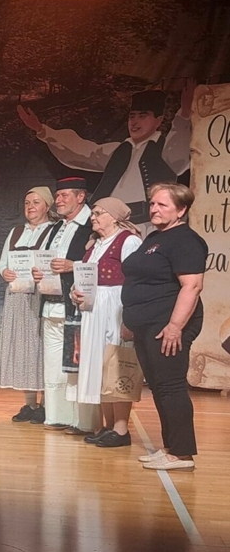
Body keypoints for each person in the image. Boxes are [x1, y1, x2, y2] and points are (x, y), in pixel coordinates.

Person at [17, 83, 194, 228]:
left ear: (159, 120)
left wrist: (184, 115)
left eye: (142, 116)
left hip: (146, 224)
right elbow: (83, 151)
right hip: (110, 224)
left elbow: (178, 152)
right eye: (132, 116)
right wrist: (42, 130)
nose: (135, 122)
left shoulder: (164, 149)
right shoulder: (120, 150)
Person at [121, 183, 205, 471]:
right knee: (158, 387)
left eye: (162, 205)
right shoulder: (155, 237)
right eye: (153, 204)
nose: (154, 209)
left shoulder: (186, 240)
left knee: (170, 386)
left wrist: (175, 326)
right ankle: (170, 447)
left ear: (181, 210)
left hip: (168, 324)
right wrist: (130, 319)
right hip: (146, 324)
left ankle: (182, 454)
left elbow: (192, 286)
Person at [71, 198, 142, 447]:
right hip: (93, 310)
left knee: (116, 364)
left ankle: (121, 429)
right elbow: (84, 277)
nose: (93, 217)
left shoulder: (128, 241)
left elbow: (136, 281)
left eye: (99, 213)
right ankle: (108, 426)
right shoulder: (94, 245)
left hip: (115, 308)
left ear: (114, 217)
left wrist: (130, 318)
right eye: (93, 213)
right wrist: (75, 292)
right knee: (100, 366)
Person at [32, 177, 101, 435]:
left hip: (77, 305)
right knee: (53, 364)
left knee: (77, 362)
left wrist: (74, 265)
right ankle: (57, 415)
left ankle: (83, 420)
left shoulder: (92, 225)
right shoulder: (56, 228)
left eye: (64, 196)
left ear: (80, 197)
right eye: (57, 195)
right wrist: (38, 273)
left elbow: (103, 261)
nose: (58, 201)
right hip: (51, 304)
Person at [0, 187, 54, 424]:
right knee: (23, 348)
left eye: (36, 202)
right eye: (27, 202)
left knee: (41, 348)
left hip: (40, 295)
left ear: (47, 206)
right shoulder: (16, 231)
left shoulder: (53, 230)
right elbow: (3, 262)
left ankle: (47, 404)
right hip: (18, 296)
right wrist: (5, 272)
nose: (30, 207)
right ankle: (30, 404)